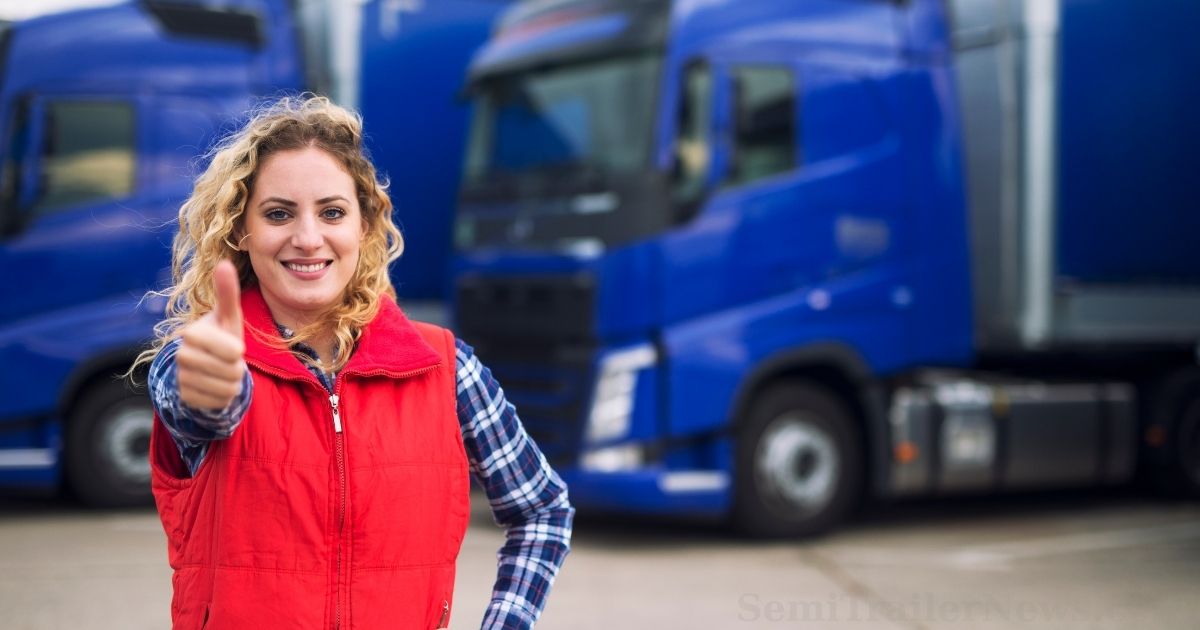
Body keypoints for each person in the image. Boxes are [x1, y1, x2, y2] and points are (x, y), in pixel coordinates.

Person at [132, 95, 573, 629]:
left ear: (364, 227)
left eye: (332, 212)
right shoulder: (200, 357)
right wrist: (214, 386)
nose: (308, 238)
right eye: (278, 214)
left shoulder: (446, 369)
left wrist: (506, 621)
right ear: (241, 232)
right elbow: (201, 410)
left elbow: (541, 511)